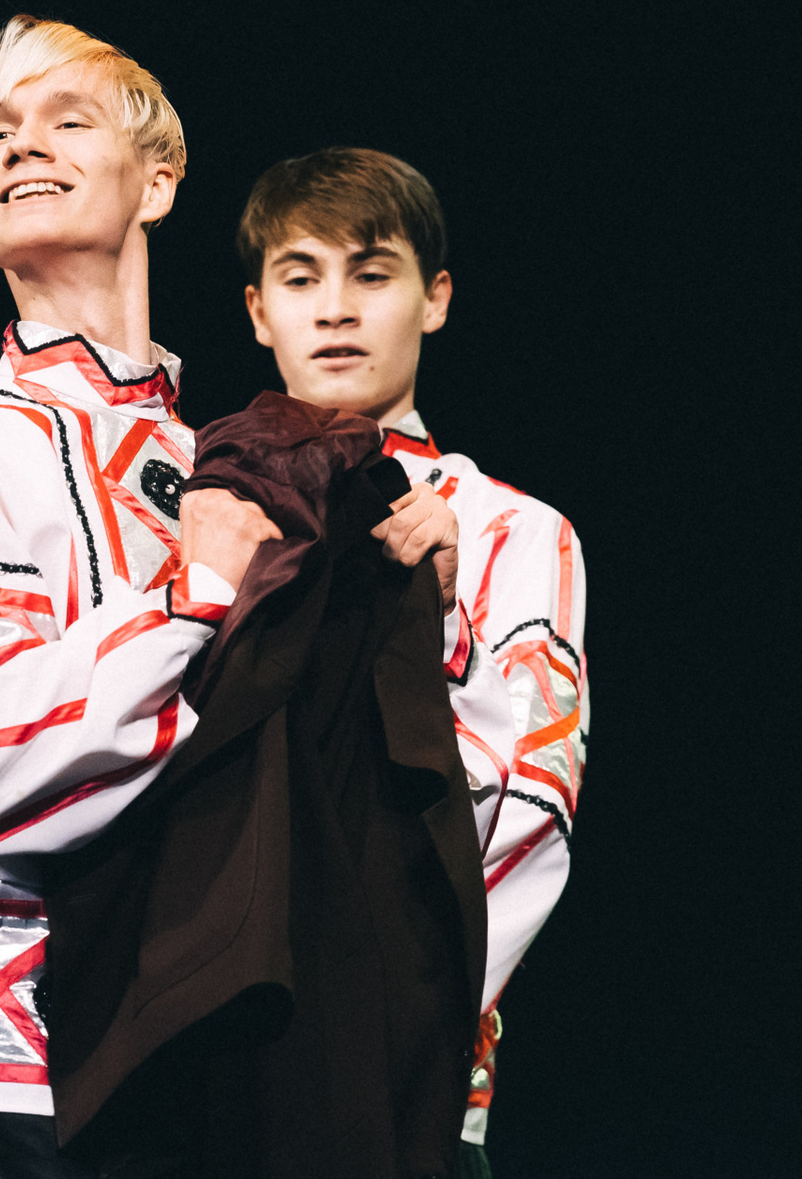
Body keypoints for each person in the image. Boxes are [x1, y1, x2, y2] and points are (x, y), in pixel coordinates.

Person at [0, 15, 283, 1176]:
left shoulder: (237, 473)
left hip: (215, 1065)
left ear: (158, 182)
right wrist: (192, 595)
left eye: (68, 120)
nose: (24, 145)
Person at [238, 147, 590, 1175]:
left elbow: (532, 801)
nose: (335, 308)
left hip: (410, 1084)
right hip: (213, 1073)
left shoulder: (516, 531)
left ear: (434, 298)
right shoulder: (200, 519)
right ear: (258, 311)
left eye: (371, 272)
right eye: (300, 276)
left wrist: (390, 1008)